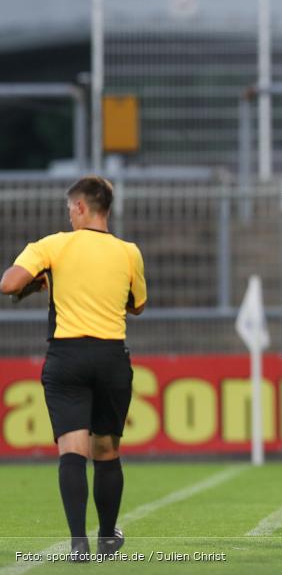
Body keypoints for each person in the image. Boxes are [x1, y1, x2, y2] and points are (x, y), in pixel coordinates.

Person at [0, 176, 146, 561]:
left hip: (67, 357)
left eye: (70, 209)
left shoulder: (52, 245)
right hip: (111, 357)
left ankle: (78, 542)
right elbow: (138, 305)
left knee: (72, 451)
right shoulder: (129, 252)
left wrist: (37, 281)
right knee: (107, 450)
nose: (69, 216)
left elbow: (8, 284)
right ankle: (107, 539)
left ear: (81, 207)